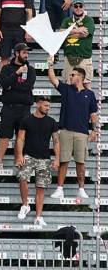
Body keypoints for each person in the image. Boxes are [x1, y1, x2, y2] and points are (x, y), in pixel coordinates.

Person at [47, 62, 98, 200]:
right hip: (65, 131)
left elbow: (93, 114)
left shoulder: (90, 94)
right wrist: (50, 65)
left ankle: (81, 189)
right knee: (63, 161)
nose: (70, 76)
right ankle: (59, 189)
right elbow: (52, 79)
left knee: (80, 162)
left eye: (72, 74)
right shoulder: (66, 89)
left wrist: (94, 130)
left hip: (82, 133)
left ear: (80, 77)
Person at [0, 43, 35, 171]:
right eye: (24, 52)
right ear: (16, 53)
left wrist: (12, 85)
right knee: (4, 135)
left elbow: (27, 87)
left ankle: (18, 160)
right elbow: (4, 84)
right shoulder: (7, 68)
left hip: (24, 108)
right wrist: (17, 73)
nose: (26, 55)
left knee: (21, 136)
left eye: (27, 53)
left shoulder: (30, 70)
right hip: (9, 107)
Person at [15, 97, 60, 226]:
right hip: (29, 155)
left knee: (40, 188)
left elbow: (56, 141)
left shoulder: (51, 122)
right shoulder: (27, 120)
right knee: (23, 178)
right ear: (38, 104)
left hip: (44, 158)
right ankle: (25, 205)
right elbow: (20, 139)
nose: (48, 108)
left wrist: (57, 159)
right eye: (46, 105)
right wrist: (19, 155)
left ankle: (39, 216)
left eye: (49, 106)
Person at [61, 0, 94, 86]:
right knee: (68, 85)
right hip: (69, 58)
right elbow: (61, 33)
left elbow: (85, 34)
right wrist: (77, 30)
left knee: (86, 85)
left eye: (80, 6)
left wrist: (67, 34)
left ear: (84, 7)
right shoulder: (67, 20)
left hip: (84, 57)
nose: (78, 8)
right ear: (72, 7)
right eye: (76, 6)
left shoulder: (89, 20)